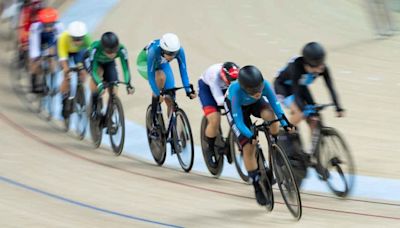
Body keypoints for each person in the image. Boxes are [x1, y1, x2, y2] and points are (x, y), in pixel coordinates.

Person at [224, 65, 292, 206]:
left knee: (271, 117)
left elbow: (276, 105)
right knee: (249, 147)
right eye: (252, 90)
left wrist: (286, 123)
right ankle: (256, 185)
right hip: (237, 110)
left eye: (259, 89)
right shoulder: (236, 92)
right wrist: (249, 135)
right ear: (244, 88)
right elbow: (238, 121)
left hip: (254, 104)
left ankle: (274, 145)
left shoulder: (264, 86)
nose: (257, 92)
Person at [273, 42, 344, 156]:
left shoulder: (322, 68)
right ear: (307, 64)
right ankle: (283, 133)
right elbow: (296, 92)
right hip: (283, 87)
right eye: (316, 67)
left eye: (322, 64)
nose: (321, 68)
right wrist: (303, 109)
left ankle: (313, 155)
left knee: (314, 119)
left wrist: (338, 106)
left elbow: (330, 87)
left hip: (301, 87)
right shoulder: (295, 66)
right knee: (300, 113)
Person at [136, 33, 196, 138]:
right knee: (160, 76)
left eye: (174, 53)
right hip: (145, 64)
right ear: (163, 50)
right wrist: (156, 92)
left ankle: (173, 131)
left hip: (161, 63)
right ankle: (154, 121)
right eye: (169, 53)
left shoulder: (179, 51)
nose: (172, 56)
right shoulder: (153, 51)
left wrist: (188, 91)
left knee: (170, 96)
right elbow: (151, 76)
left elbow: (183, 71)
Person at [198, 62, 239, 164]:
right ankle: (210, 148)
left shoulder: (237, 76)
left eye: (235, 80)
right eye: (231, 80)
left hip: (225, 88)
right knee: (215, 119)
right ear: (223, 75)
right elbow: (219, 100)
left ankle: (230, 141)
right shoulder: (214, 76)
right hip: (207, 89)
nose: (233, 82)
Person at [88, 31, 135, 119]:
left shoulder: (121, 49)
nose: (112, 54)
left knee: (114, 89)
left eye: (114, 51)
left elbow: (125, 69)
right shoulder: (95, 48)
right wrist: (99, 84)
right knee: (98, 73)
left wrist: (128, 83)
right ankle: (94, 106)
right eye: (109, 52)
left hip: (109, 64)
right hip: (96, 64)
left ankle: (110, 117)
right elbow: (93, 70)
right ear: (103, 48)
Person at [57, 20, 91, 119]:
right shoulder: (63, 38)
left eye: (80, 39)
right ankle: (64, 99)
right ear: (70, 36)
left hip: (79, 53)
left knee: (83, 71)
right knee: (66, 74)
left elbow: (91, 55)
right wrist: (66, 70)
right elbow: (63, 58)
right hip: (65, 52)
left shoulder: (87, 38)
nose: (78, 41)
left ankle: (80, 90)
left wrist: (85, 70)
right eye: (75, 39)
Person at [28, 7, 63, 93]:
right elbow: (34, 44)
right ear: (41, 22)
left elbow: (60, 42)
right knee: (35, 62)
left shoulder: (59, 26)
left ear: (54, 22)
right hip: (39, 41)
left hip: (50, 41)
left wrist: (58, 57)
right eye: (45, 25)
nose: (48, 28)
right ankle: (34, 80)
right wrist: (36, 57)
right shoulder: (35, 27)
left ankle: (53, 78)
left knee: (53, 59)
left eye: (50, 25)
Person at [17, 0, 43, 65]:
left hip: (36, 24)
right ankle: (21, 54)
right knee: (24, 42)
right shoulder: (26, 10)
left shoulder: (38, 6)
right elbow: (22, 24)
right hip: (27, 23)